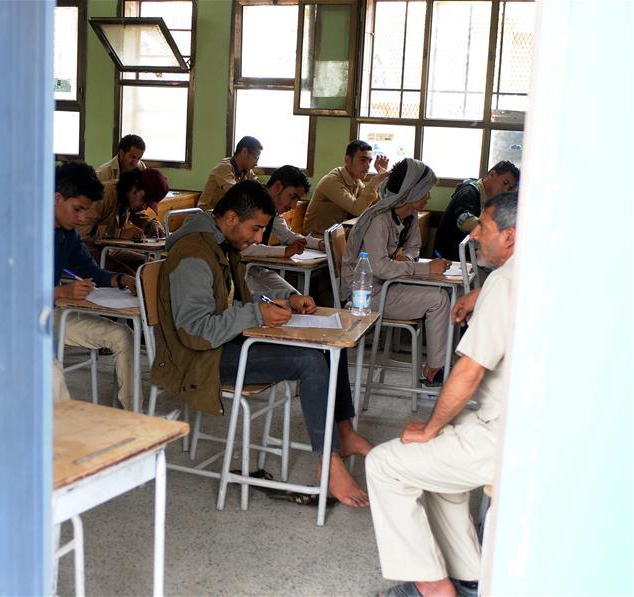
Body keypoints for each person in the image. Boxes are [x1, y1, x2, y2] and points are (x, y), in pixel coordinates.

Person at [153, 179, 373, 507]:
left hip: (225, 343)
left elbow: (231, 299)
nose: (258, 239)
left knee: (331, 343)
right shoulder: (194, 254)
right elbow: (196, 331)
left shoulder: (219, 245)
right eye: (255, 229)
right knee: (310, 361)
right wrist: (257, 313)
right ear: (230, 219)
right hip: (200, 358)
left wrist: (286, 299)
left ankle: (343, 431)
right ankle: (329, 462)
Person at [366, 192, 519, 597]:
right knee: (438, 468)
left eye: (484, 228)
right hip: (525, 422)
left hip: (505, 436)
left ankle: (434, 589)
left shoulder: (505, 281)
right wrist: (480, 294)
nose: (476, 236)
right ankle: (468, 577)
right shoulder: (537, 271)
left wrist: (431, 425)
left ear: (511, 237)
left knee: (384, 464)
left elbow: (469, 372)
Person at [340, 158, 451, 386]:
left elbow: (413, 248)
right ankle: (435, 369)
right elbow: (379, 266)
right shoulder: (379, 219)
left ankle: (436, 365)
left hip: (384, 286)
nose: (429, 197)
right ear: (412, 192)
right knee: (438, 299)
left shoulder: (407, 216)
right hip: (364, 295)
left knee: (438, 293)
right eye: (426, 191)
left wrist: (406, 259)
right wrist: (425, 268)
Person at [54, 161, 138, 409]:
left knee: (123, 334)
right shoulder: (23, 231)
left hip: (51, 316)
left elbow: (88, 269)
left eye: (85, 211)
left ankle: (133, 416)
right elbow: (6, 296)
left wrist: (119, 279)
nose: (82, 218)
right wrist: (61, 291)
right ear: (57, 197)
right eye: (77, 209)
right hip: (17, 326)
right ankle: (64, 444)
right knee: (52, 376)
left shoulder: (67, 234)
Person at [241, 165, 321, 294]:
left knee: (297, 298)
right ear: (278, 186)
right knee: (278, 306)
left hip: (257, 269)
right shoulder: (249, 202)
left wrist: (319, 244)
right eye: (292, 197)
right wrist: (284, 251)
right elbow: (243, 250)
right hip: (237, 271)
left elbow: (288, 237)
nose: (294, 205)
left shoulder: (273, 210)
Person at [77, 168, 169, 274]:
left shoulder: (128, 196)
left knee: (152, 268)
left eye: (149, 204)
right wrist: (119, 233)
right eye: (144, 199)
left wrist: (151, 225)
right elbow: (79, 229)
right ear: (135, 186)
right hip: (82, 252)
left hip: (108, 250)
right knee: (136, 276)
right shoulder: (102, 194)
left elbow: (138, 215)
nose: (144, 207)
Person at [433, 161, 519, 261]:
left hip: (465, 256)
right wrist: (495, 230)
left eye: (509, 188)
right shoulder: (469, 192)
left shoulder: (488, 198)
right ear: (492, 174)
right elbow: (464, 221)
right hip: (447, 258)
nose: (505, 190)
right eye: (505, 183)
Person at [303, 139, 390, 235]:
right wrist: (375, 180)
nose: (368, 166)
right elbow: (357, 209)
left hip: (336, 236)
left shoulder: (355, 180)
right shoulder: (332, 181)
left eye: (369, 161)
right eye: (362, 160)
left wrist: (381, 178)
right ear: (347, 160)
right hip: (316, 238)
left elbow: (374, 205)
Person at [197, 136, 262, 211]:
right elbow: (236, 194)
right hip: (207, 215)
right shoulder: (223, 168)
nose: (256, 164)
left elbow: (258, 188)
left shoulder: (246, 171)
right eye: (255, 157)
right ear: (244, 152)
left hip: (225, 215)